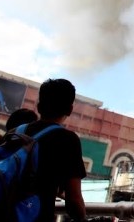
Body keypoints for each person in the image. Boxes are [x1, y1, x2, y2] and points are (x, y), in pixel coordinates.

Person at [23, 78, 87, 222]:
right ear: (70, 110)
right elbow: (74, 201)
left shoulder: (16, 132)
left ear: (39, 106)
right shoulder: (68, 140)